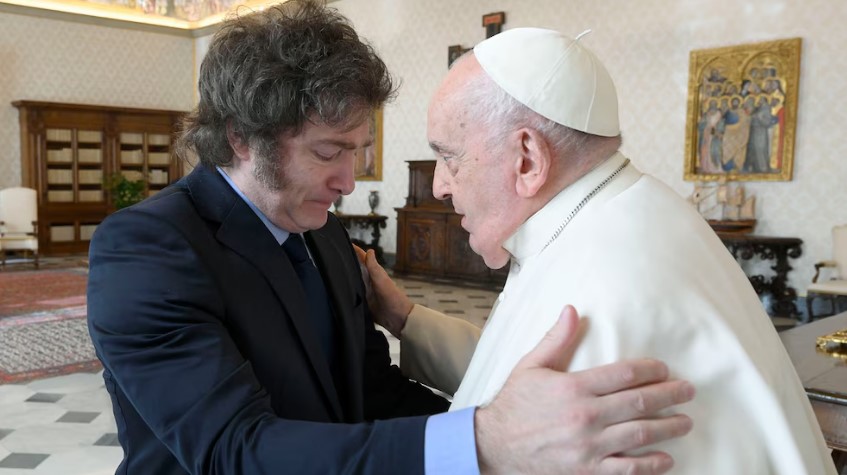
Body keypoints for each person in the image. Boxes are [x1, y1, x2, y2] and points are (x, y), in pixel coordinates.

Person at [86, 3, 695, 474]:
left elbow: (373, 392)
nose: (349, 181)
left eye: (357, 152)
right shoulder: (147, 249)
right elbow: (234, 452)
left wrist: (533, 443)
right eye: (329, 152)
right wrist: (483, 443)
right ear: (242, 138)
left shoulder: (324, 234)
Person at [358, 27, 836, 474]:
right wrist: (406, 319)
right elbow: (518, 386)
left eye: (449, 157)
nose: (439, 185)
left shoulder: (611, 287)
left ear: (528, 159)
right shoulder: (623, 215)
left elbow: (518, 439)